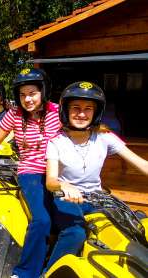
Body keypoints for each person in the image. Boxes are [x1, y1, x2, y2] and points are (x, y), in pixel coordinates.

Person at [45, 81, 148, 270]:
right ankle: (49, 272)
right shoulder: (56, 142)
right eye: (75, 107)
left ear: (96, 112)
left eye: (88, 108)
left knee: (131, 226)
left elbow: (141, 163)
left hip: (97, 197)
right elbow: (50, 181)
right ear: (65, 110)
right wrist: (64, 186)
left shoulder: (105, 137)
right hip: (66, 198)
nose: (82, 113)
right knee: (75, 233)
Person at [0, 68, 61, 278]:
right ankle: (24, 273)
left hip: (59, 172)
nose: (27, 99)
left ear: (43, 91)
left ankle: (54, 267)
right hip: (30, 172)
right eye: (23, 95)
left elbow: (81, 125)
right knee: (42, 220)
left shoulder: (58, 111)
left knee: (73, 224)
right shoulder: (14, 115)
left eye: (32, 93)